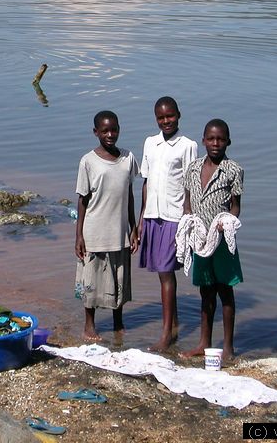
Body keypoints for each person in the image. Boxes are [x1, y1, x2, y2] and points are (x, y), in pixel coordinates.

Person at [179, 119, 243, 362]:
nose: (216, 143)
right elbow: (187, 201)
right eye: (211, 139)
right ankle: (203, 343)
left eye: (221, 139)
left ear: (228, 141)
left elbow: (236, 207)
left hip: (222, 241)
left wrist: (225, 221)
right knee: (206, 292)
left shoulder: (234, 170)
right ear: (203, 140)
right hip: (200, 240)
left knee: (225, 291)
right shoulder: (193, 168)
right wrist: (187, 217)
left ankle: (228, 347)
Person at [138, 96, 197, 351]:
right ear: (156, 119)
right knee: (164, 272)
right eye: (161, 118)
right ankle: (173, 325)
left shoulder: (188, 145)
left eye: (170, 116)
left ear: (178, 115)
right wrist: (141, 219)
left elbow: (191, 184)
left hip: (174, 217)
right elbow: (146, 182)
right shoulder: (150, 143)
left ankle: (166, 335)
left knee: (165, 272)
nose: (166, 121)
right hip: (153, 215)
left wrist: (188, 218)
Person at [75, 110, 139, 341]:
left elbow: (129, 194)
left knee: (119, 279)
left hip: (119, 230)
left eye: (114, 129)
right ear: (96, 133)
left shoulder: (128, 158)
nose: (110, 134)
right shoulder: (88, 161)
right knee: (91, 280)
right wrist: (79, 235)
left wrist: (133, 227)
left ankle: (118, 322)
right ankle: (89, 324)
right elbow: (82, 200)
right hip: (94, 231)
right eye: (105, 131)